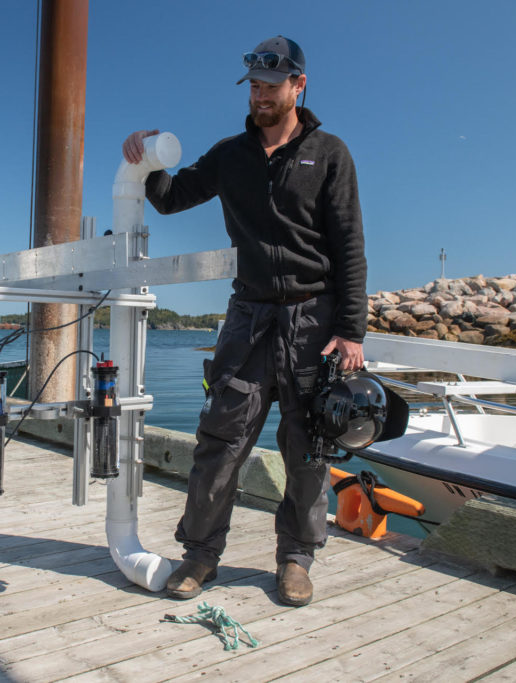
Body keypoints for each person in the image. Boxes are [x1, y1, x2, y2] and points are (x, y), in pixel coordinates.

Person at [122, 35, 367, 607]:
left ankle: (296, 558)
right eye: (253, 86)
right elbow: (172, 197)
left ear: (297, 86)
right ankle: (201, 554)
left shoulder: (329, 153)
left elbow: (349, 243)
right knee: (220, 440)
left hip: (315, 318)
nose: (259, 95)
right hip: (249, 316)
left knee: (307, 445)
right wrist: (147, 157)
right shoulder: (230, 155)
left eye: (270, 86)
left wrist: (351, 329)